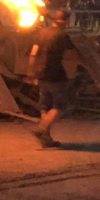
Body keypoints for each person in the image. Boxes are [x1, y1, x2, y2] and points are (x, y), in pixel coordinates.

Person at [28, 9, 75, 148]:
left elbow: (33, 54)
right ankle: (41, 128)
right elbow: (72, 55)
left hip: (41, 74)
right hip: (56, 74)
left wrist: (30, 72)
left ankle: (46, 139)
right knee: (61, 106)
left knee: (46, 107)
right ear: (66, 21)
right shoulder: (63, 35)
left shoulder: (41, 33)